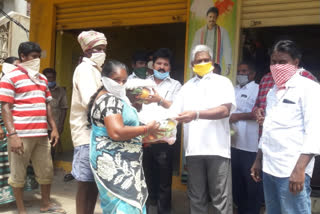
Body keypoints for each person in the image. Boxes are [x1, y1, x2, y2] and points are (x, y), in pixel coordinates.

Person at [251, 40, 320, 214]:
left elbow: (315, 132)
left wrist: (299, 169)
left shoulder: (309, 88)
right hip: (270, 167)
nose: (277, 66)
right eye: (273, 62)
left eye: (283, 62)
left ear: (296, 62)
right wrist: (259, 159)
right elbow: (268, 129)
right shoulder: (273, 91)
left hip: (292, 169)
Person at [88, 60, 162, 214]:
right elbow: (116, 132)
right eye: (116, 80)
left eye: (124, 81)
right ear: (104, 79)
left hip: (125, 162)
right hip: (114, 163)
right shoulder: (109, 100)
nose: (120, 84)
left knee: (127, 203)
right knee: (122, 205)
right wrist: (146, 129)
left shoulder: (116, 98)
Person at [170, 44, 236, 214]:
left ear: (212, 62)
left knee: (220, 198)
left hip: (218, 150)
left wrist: (196, 114)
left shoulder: (223, 82)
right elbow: (173, 114)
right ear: (192, 64)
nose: (203, 63)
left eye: (206, 60)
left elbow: (225, 110)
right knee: (196, 198)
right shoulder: (187, 87)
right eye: (199, 61)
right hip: (193, 151)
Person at [0, 42, 65, 214]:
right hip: (20, 134)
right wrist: (12, 134)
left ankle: (46, 204)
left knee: (46, 171)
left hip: (41, 134)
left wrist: (54, 128)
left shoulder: (42, 78)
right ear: (22, 57)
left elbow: (47, 105)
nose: (37, 60)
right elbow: (5, 107)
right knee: (18, 174)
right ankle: (21, 210)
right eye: (33, 57)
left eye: (38, 56)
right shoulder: (10, 77)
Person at [139, 48, 181, 214]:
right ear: (153, 65)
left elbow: (178, 109)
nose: (162, 67)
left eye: (166, 64)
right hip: (144, 138)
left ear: (170, 67)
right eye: (159, 63)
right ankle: (147, 209)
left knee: (164, 182)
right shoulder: (143, 82)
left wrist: (160, 100)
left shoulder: (176, 85)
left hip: (164, 140)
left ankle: (164, 211)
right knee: (145, 178)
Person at [70, 30, 107, 214]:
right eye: (97, 49)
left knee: (93, 184)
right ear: (87, 51)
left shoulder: (96, 70)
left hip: (96, 134)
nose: (102, 52)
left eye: (104, 48)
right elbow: (90, 100)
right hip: (86, 135)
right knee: (85, 183)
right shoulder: (84, 69)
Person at [230, 62, 263, 214]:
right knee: (237, 185)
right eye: (239, 71)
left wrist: (237, 116)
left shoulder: (258, 89)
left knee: (252, 186)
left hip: (251, 147)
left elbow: (259, 113)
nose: (241, 74)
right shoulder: (234, 90)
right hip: (234, 145)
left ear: (253, 74)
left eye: (244, 71)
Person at [191, 7, 232, 76]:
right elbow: (193, 50)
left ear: (217, 18)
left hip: (216, 67)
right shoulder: (199, 32)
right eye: (210, 17)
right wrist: (191, 67)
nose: (212, 19)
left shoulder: (223, 32)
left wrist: (228, 65)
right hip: (202, 66)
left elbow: (227, 48)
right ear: (206, 17)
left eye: (214, 17)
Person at [43, 68, 68, 161]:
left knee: (51, 149)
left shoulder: (60, 91)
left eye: (52, 78)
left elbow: (64, 108)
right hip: (40, 125)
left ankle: (49, 169)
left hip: (53, 126)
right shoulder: (39, 89)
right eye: (48, 78)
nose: (50, 80)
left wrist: (60, 125)